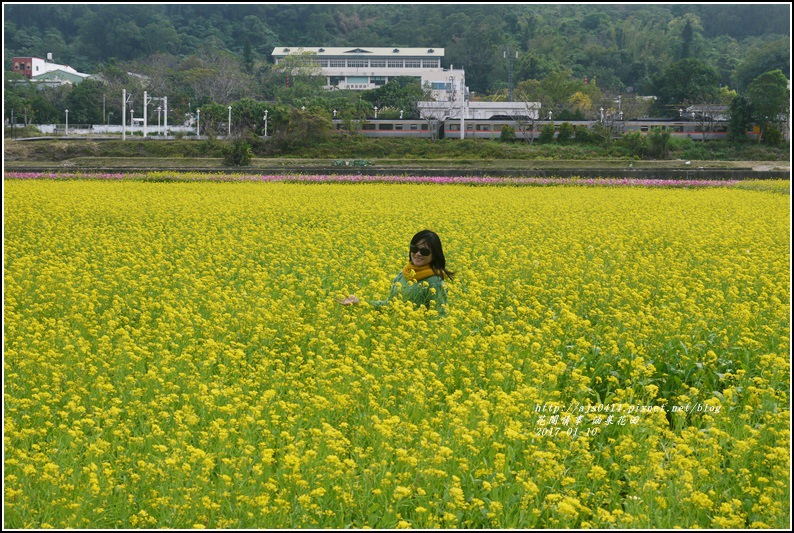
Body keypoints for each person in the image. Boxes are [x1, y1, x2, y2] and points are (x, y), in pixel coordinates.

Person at [340, 229, 453, 316]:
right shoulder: (404, 274)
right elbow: (389, 305)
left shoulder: (435, 283)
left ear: (434, 255)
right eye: (414, 249)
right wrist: (360, 302)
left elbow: (439, 317)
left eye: (424, 251)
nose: (418, 254)